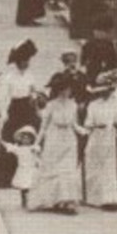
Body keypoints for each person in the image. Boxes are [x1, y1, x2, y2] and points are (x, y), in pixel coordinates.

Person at [28, 73, 86, 215]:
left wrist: (82, 130)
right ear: (59, 89)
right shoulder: (51, 105)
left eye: (69, 88)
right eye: (65, 88)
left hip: (70, 140)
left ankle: (67, 201)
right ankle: (55, 200)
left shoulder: (73, 105)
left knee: (68, 170)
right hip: (54, 140)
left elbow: (74, 123)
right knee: (54, 170)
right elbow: (43, 126)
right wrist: (37, 143)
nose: (68, 91)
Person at [81, 72, 117, 210]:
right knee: (94, 164)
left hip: (110, 137)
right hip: (96, 136)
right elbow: (87, 123)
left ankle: (110, 198)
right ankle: (94, 197)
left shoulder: (116, 104)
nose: (104, 94)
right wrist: (93, 126)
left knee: (109, 167)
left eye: (107, 91)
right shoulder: (93, 105)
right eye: (102, 91)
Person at [0, 124, 41, 208]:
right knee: (23, 186)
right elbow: (9, 146)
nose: (26, 140)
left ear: (32, 139)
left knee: (31, 185)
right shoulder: (18, 148)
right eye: (24, 138)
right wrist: (1, 141)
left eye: (28, 138)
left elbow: (38, 152)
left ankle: (31, 200)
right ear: (21, 139)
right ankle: (24, 200)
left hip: (31, 169)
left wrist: (36, 153)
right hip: (22, 169)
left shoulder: (33, 148)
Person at [80, 15, 117, 83]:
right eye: (109, 31)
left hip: (108, 78)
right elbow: (85, 66)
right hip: (94, 80)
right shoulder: (90, 46)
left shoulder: (109, 45)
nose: (112, 34)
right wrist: (94, 79)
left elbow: (113, 64)